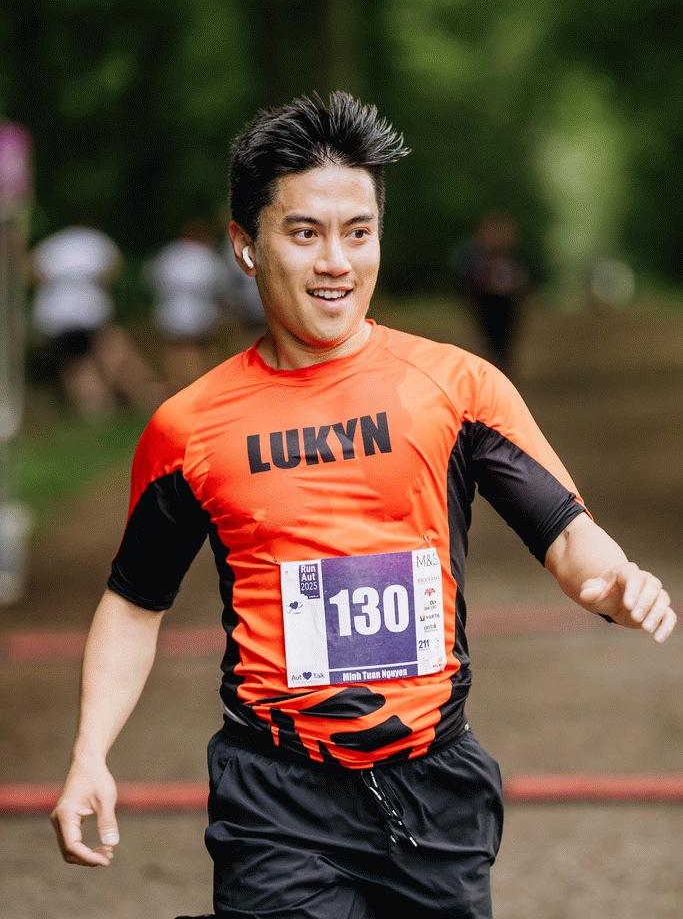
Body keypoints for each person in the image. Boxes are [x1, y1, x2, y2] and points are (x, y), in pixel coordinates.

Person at [51, 93, 677, 919]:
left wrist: (610, 583)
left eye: (357, 232)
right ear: (245, 245)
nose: (335, 262)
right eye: (304, 233)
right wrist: (89, 752)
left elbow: (564, 533)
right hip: (273, 795)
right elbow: (135, 602)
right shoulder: (188, 427)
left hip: (436, 786)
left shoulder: (456, 388)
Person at [29, 217, 167, 417]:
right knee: (105, 354)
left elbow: (34, 273)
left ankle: (97, 406)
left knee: (78, 363)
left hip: (57, 319)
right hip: (89, 314)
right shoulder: (97, 241)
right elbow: (112, 268)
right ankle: (114, 401)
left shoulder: (50, 244)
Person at [143, 218, 233, 392]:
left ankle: (177, 387)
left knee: (174, 351)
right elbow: (220, 286)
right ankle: (201, 386)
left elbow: (151, 278)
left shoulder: (168, 253)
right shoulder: (206, 256)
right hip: (201, 313)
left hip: (170, 312)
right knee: (199, 350)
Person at [451, 211, 532, 376]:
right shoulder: (475, 258)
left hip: (507, 301)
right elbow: (466, 280)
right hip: (486, 300)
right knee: (490, 334)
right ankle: (496, 363)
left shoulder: (513, 258)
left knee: (506, 335)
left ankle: (502, 363)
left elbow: (522, 279)